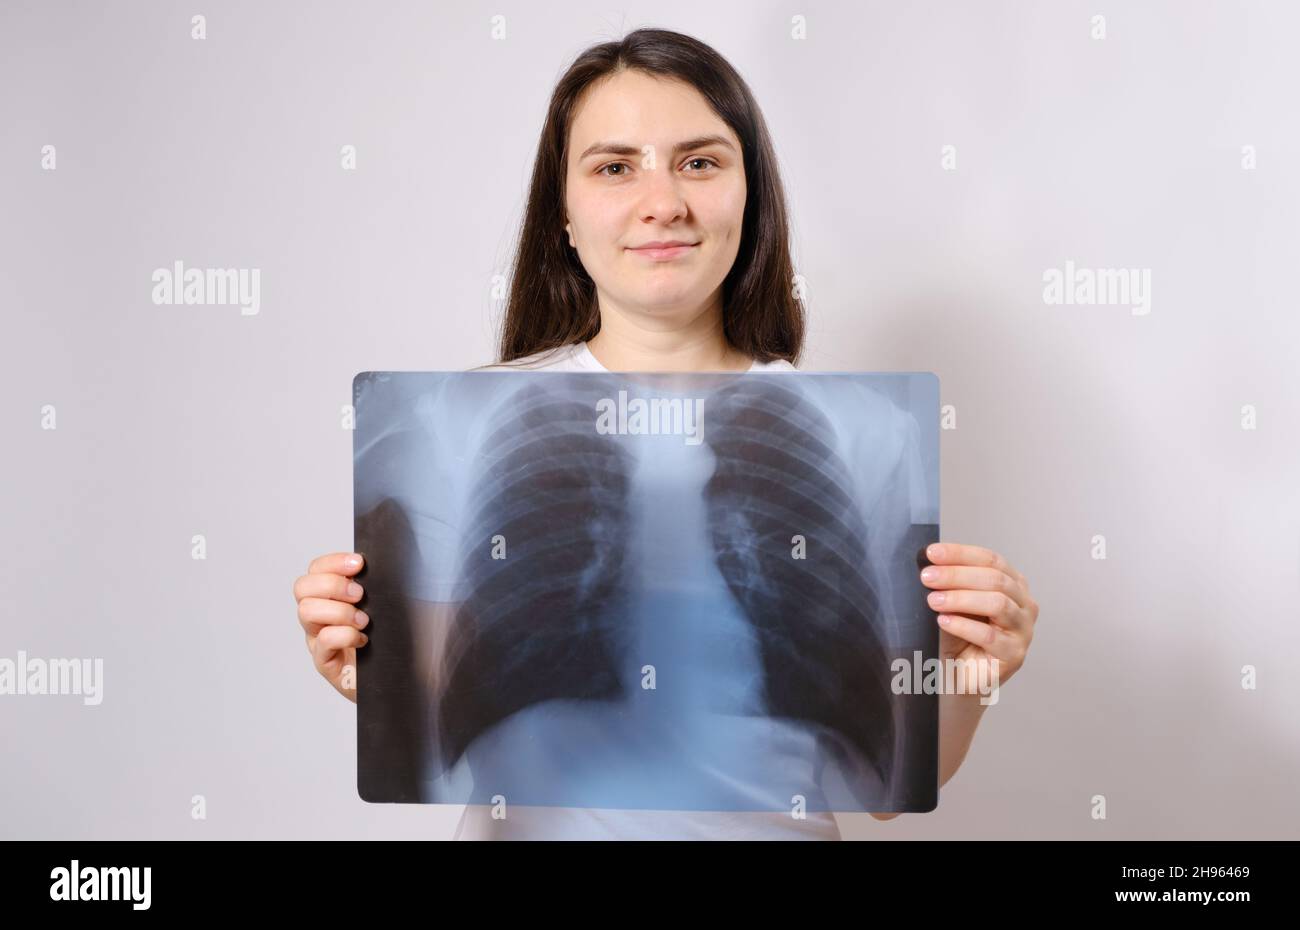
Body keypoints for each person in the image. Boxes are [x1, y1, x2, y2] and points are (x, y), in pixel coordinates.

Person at [293, 27, 1039, 840]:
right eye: (616, 167)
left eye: (700, 162)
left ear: (749, 197)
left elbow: (891, 785)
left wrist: (973, 674)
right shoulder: (453, 430)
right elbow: (433, 723)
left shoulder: (866, 433)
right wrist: (370, 673)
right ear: (565, 218)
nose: (664, 202)